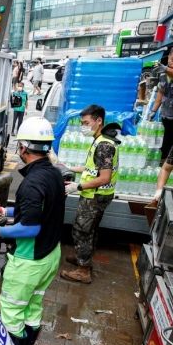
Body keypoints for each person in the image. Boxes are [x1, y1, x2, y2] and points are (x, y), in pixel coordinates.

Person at [0, 118, 64, 345]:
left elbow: (30, 228)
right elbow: (42, 211)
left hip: (29, 261)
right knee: (32, 307)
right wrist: (6, 211)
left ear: (24, 148)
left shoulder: (30, 184)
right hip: (50, 255)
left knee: (11, 311)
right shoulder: (54, 175)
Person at [61, 104, 120, 284]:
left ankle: (83, 270)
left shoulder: (104, 145)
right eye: (82, 123)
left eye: (86, 122)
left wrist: (77, 187)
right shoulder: (101, 140)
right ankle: (82, 256)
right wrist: (68, 167)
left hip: (94, 196)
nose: (83, 126)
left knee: (81, 230)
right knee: (90, 229)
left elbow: (104, 177)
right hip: (98, 194)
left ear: (99, 120)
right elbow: (92, 169)